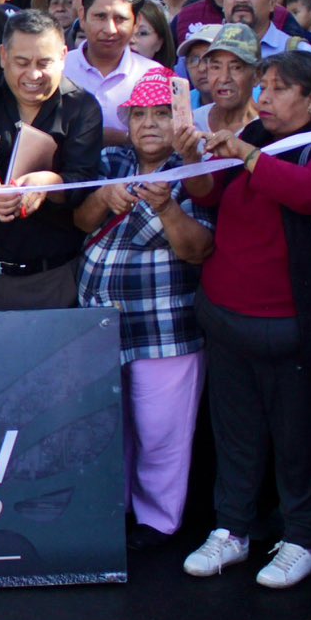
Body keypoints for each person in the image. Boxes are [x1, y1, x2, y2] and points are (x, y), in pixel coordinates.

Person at [184, 48, 311, 589]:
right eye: (262, 86)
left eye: (278, 88)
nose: (264, 97)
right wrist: (193, 163)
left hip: (294, 329)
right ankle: (233, 530)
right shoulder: (261, 140)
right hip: (226, 320)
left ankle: (300, 539)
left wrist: (247, 156)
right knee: (236, 435)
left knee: (299, 442)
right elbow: (211, 193)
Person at [75, 69, 214, 548]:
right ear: (128, 121)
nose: (150, 124)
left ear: (179, 121)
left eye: (161, 114)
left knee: (162, 432)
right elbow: (79, 220)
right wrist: (101, 197)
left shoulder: (197, 171)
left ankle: (157, 523)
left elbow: (199, 250)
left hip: (165, 326)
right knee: (110, 427)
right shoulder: (112, 159)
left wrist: (167, 209)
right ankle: (115, 515)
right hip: (100, 320)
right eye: (140, 114)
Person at [0, 10, 103, 310]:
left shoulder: (82, 106)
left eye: (44, 63)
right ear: (2, 55)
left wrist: (50, 183)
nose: (33, 75)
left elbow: (83, 178)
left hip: (56, 273)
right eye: (22, 63)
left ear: (64, 56)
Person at [67, 0, 163, 142]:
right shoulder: (59, 68)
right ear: (82, 17)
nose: (110, 29)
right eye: (100, 16)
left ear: (136, 22)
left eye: (120, 19)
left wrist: (123, 139)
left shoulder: (155, 76)